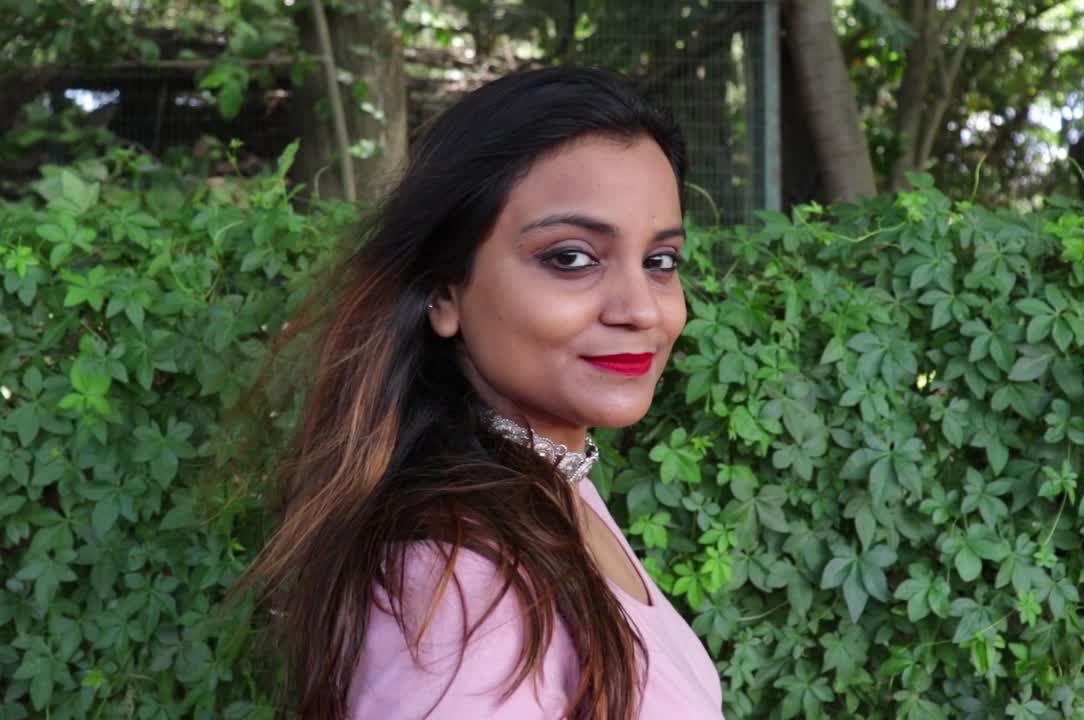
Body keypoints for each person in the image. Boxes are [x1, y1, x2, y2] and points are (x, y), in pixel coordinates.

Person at [235, 66, 724, 719]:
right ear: (444, 292)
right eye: (571, 257)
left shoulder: (546, 486)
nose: (641, 309)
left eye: (660, 261)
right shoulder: (458, 587)